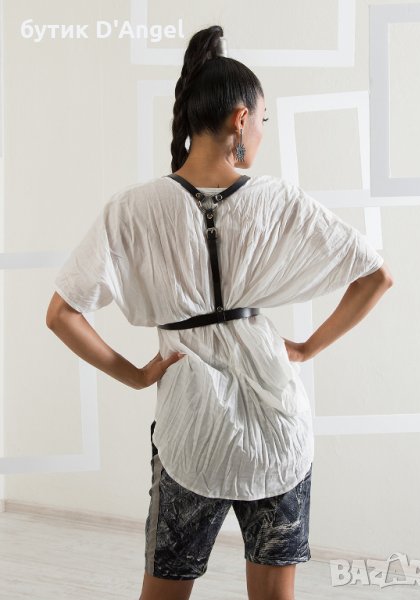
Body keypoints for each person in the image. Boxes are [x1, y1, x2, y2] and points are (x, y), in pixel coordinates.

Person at [46, 24, 394, 600]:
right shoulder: (278, 200)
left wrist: (135, 376)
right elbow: (377, 276)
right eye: (263, 120)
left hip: (191, 431)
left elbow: (61, 314)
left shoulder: (131, 208)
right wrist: (304, 348)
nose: (262, 132)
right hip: (278, 430)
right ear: (240, 118)